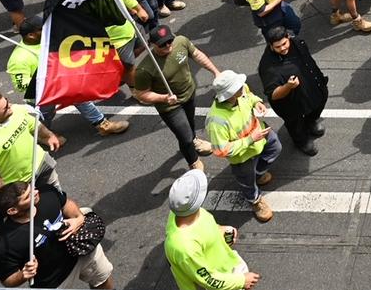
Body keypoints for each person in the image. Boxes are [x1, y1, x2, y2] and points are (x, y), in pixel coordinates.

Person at [0, 182, 114, 289]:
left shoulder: (47, 193)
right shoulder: (3, 245)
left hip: (82, 250)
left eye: (32, 187)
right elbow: (8, 279)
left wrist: (78, 218)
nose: (36, 192)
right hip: (53, 281)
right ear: (12, 210)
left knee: (102, 281)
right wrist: (23, 275)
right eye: (28, 196)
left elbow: (65, 203)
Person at [0, 92, 65, 224]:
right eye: (6, 107)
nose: (11, 106)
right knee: (33, 216)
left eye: (7, 101)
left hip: (43, 165)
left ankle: (62, 218)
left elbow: (34, 125)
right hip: (22, 186)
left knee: (58, 197)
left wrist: (48, 136)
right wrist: (16, 196)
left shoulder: (16, 112)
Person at [133, 25, 220, 172]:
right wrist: (164, 98)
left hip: (189, 92)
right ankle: (193, 161)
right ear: (152, 45)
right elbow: (141, 94)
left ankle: (194, 141)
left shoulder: (181, 42)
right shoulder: (144, 69)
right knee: (184, 136)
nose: (168, 46)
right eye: (162, 44)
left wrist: (216, 72)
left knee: (190, 124)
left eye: (169, 41)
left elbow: (197, 55)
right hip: (170, 106)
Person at [164, 169, 261, 290]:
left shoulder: (182, 212)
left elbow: (204, 226)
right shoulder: (184, 247)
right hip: (222, 280)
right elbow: (209, 280)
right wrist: (241, 281)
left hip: (227, 265)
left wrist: (221, 230)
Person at [206, 70, 280, 222]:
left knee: (275, 147)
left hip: (260, 135)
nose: (243, 86)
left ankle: (258, 174)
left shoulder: (242, 90)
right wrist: (250, 140)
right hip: (242, 156)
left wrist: (257, 102)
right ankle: (255, 201)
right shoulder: (216, 121)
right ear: (229, 94)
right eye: (237, 87)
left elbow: (250, 96)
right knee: (247, 180)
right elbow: (221, 150)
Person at [259, 25, 329, 155]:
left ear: (288, 37)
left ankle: (310, 122)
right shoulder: (268, 67)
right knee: (295, 124)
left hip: (312, 88)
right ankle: (301, 141)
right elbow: (273, 95)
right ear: (270, 46)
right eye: (278, 47)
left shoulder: (297, 43)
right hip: (291, 104)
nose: (283, 48)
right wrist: (288, 86)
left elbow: (309, 61)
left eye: (284, 43)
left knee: (318, 104)